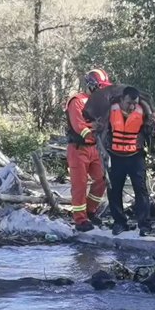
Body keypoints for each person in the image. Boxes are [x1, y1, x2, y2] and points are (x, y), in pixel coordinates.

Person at [107, 86, 155, 236]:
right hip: (116, 156)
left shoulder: (142, 111)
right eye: (129, 103)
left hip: (135, 157)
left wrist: (151, 123)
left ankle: (144, 225)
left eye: (134, 103)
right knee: (114, 190)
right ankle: (119, 223)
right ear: (121, 100)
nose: (132, 107)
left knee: (141, 190)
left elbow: (148, 131)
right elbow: (102, 128)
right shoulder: (110, 110)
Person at [64, 68, 111, 232]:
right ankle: (80, 219)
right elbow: (79, 127)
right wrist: (93, 131)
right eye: (100, 87)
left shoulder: (101, 103)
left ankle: (91, 211)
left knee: (102, 179)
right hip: (78, 149)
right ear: (91, 85)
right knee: (80, 185)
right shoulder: (76, 101)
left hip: (96, 148)